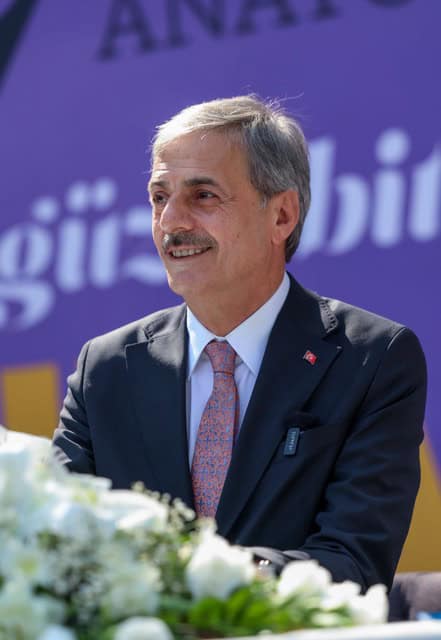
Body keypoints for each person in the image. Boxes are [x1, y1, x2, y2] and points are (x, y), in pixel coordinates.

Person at [53, 95, 427, 591]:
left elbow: (352, 561)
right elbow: (55, 543)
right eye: (160, 197)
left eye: (203, 195)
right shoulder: (106, 369)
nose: (171, 223)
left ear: (282, 216)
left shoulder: (372, 359)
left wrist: (202, 580)